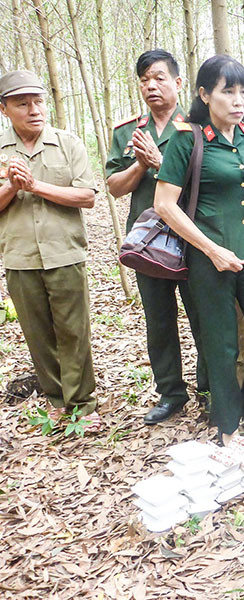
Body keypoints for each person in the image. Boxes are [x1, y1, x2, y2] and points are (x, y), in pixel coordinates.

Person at [154, 55, 244, 445]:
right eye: (228, 91)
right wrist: (211, 250)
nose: (238, 100)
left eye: (243, 91)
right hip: (209, 258)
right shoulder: (187, 138)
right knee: (222, 345)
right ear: (205, 94)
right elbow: (165, 204)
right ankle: (227, 426)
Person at [106, 49, 208, 425]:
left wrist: (164, 164)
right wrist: (140, 163)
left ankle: (209, 389)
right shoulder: (128, 132)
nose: (152, 85)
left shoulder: (199, 127)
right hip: (148, 243)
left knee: (203, 315)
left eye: (159, 77)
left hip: (193, 235)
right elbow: (114, 187)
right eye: (145, 80)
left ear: (178, 83)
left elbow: (211, 180)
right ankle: (170, 393)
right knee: (159, 319)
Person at [0, 70, 100, 429]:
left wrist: (35, 186)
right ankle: (57, 400)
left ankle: (83, 405)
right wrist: (12, 186)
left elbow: (87, 196)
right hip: (20, 256)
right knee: (38, 334)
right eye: (22, 104)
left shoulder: (68, 143)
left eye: (38, 101)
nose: (34, 110)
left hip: (64, 252)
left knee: (74, 331)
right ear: (4, 109)